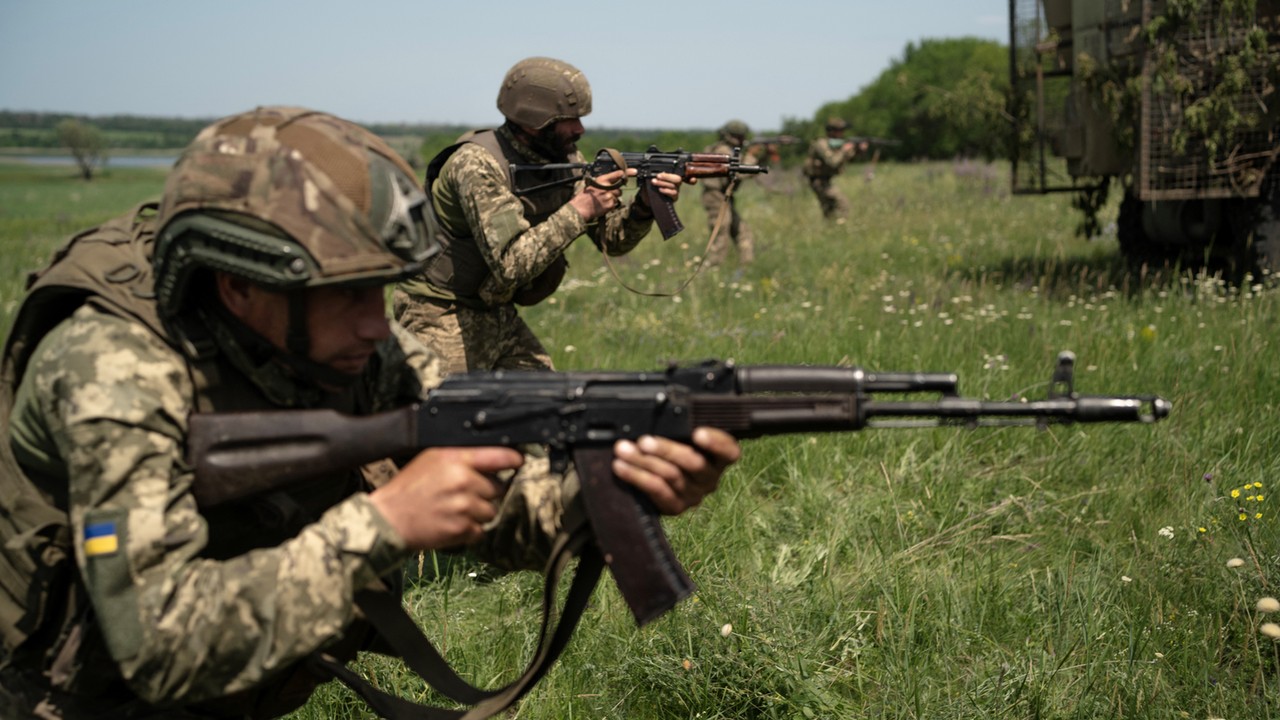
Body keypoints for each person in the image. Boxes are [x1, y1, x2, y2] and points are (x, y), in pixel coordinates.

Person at [0, 106, 740, 719]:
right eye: (349, 294)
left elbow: (486, 499)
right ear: (239, 286)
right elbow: (156, 643)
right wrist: (384, 523)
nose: (376, 324)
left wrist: (606, 493)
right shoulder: (111, 374)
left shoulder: (353, 344)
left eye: (381, 289)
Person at [392, 56, 688, 375]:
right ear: (536, 120)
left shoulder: (566, 158)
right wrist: (582, 208)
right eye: (570, 119)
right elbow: (510, 266)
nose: (580, 129)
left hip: (497, 311)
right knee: (447, 414)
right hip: (438, 311)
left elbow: (612, 240)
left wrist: (644, 204)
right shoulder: (478, 164)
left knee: (547, 402)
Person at [700, 119, 757, 267]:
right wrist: (751, 156)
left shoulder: (727, 149)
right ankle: (710, 271)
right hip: (715, 195)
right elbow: (738, 172)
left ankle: (746, 268)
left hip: (725, 196)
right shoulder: (723, 151)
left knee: (742, 232)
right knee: (721, 232)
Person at [802, 117, 868, 223]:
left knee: (829, 210)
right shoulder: (821, 144)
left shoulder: (837, 145)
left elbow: (848, 159)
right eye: (840, 130)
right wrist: (844, 149)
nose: (842, 133)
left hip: (826, 180)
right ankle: (841, 227)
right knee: (843, 205)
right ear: (832, 131)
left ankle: (830, 230)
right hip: (818, 181)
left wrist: (859, 150)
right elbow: (833, 162)